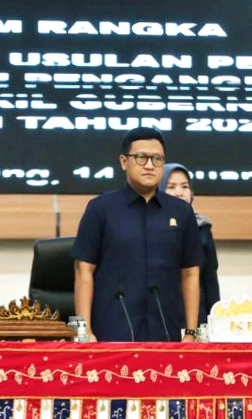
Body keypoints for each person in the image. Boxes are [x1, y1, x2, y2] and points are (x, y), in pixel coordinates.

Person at [71, 127, 201, 342]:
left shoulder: (182, 212)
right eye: (141, 157)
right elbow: (83, 270)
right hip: (111, 332)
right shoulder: (100, 208)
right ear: (124, 162)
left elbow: (190, 274)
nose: (149, 165)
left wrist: (191, 332)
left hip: (166, 331)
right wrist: (84, 331)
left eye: (157, 159)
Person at [159, 163, 220, 324]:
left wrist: (215, 320)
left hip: (196, 314)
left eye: (185, 186)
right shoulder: (148, 227)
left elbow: (210, 280)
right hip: (160, 315)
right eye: (171, 187)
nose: (179, 192)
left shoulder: (202, 227)